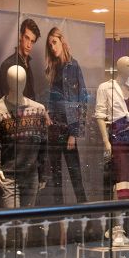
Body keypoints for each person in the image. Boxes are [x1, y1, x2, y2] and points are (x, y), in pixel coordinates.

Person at [44, 25, 88, 204]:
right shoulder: (52, 68)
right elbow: (52, 96)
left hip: (68, 126)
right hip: (53, 125)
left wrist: (74, 132)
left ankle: (85, 211)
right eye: (50, 45)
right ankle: (58, 214)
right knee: (55, 174)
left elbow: (82, 99)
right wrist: (46, 112)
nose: (53, 47)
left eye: (54, 42)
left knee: (75, 173)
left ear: (62, 41)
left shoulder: (73, 66)